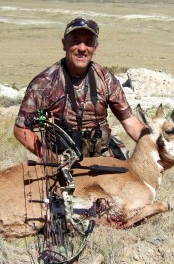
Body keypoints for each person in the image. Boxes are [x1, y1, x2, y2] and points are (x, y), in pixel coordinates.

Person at [14, 17, 144, 159]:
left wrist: (157, 145)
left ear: (95, 48)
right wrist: (50, 157)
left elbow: (131, 123)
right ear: (64, 44)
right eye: (76, 41)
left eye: (88, 43)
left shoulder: (107, 79)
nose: (82, 48)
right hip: (63, 161)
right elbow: (21, 129)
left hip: (103, 156)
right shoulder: (44, 84)